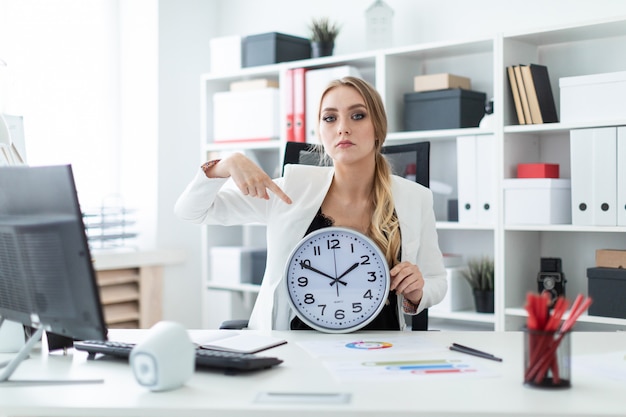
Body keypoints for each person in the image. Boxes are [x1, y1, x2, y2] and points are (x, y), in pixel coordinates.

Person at [175, 76, 447, 331]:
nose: (342, 128)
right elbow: (191, 211)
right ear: (320, 132)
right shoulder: (290, 191)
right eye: (330, 118)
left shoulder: (416, 198)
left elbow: (437, 281)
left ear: (378, 127)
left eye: (358, 115)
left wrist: (416, 291)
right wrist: (225, 165)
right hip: (297, 346)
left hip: (381, 345)